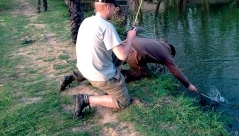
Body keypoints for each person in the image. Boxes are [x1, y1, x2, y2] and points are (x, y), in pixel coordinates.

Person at [70, 0, 137, 119]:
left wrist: (125, 43)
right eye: (114, 8)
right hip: (98, 76)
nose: (114, 11)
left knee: (119, 51)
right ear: (108, 7)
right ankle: (84, 99)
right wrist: (130, 38)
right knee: (123, 102)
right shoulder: (107, 27)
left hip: (84, 70)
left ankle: (114, 82)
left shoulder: (87, 21)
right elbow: (122, 55)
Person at [60, 38, 199, 94]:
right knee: (144, 72)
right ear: (171, 53)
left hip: (123, 45)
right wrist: (188, 85)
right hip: (134, 54)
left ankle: (72, 77)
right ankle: (118, 78)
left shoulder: (157, 42)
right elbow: (175, 71)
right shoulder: (166, 54)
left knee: (104, 64)